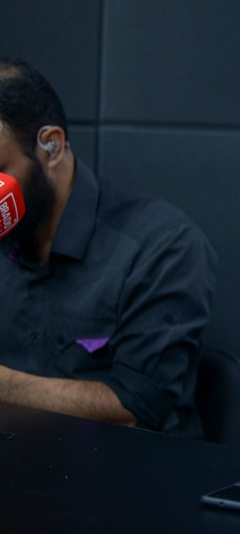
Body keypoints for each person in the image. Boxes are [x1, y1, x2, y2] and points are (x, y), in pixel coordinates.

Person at [0, 58, 217, 437]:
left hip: (121, 481)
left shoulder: (162, 245)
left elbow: (137, 409)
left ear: (51, 146)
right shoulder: (11, 233)